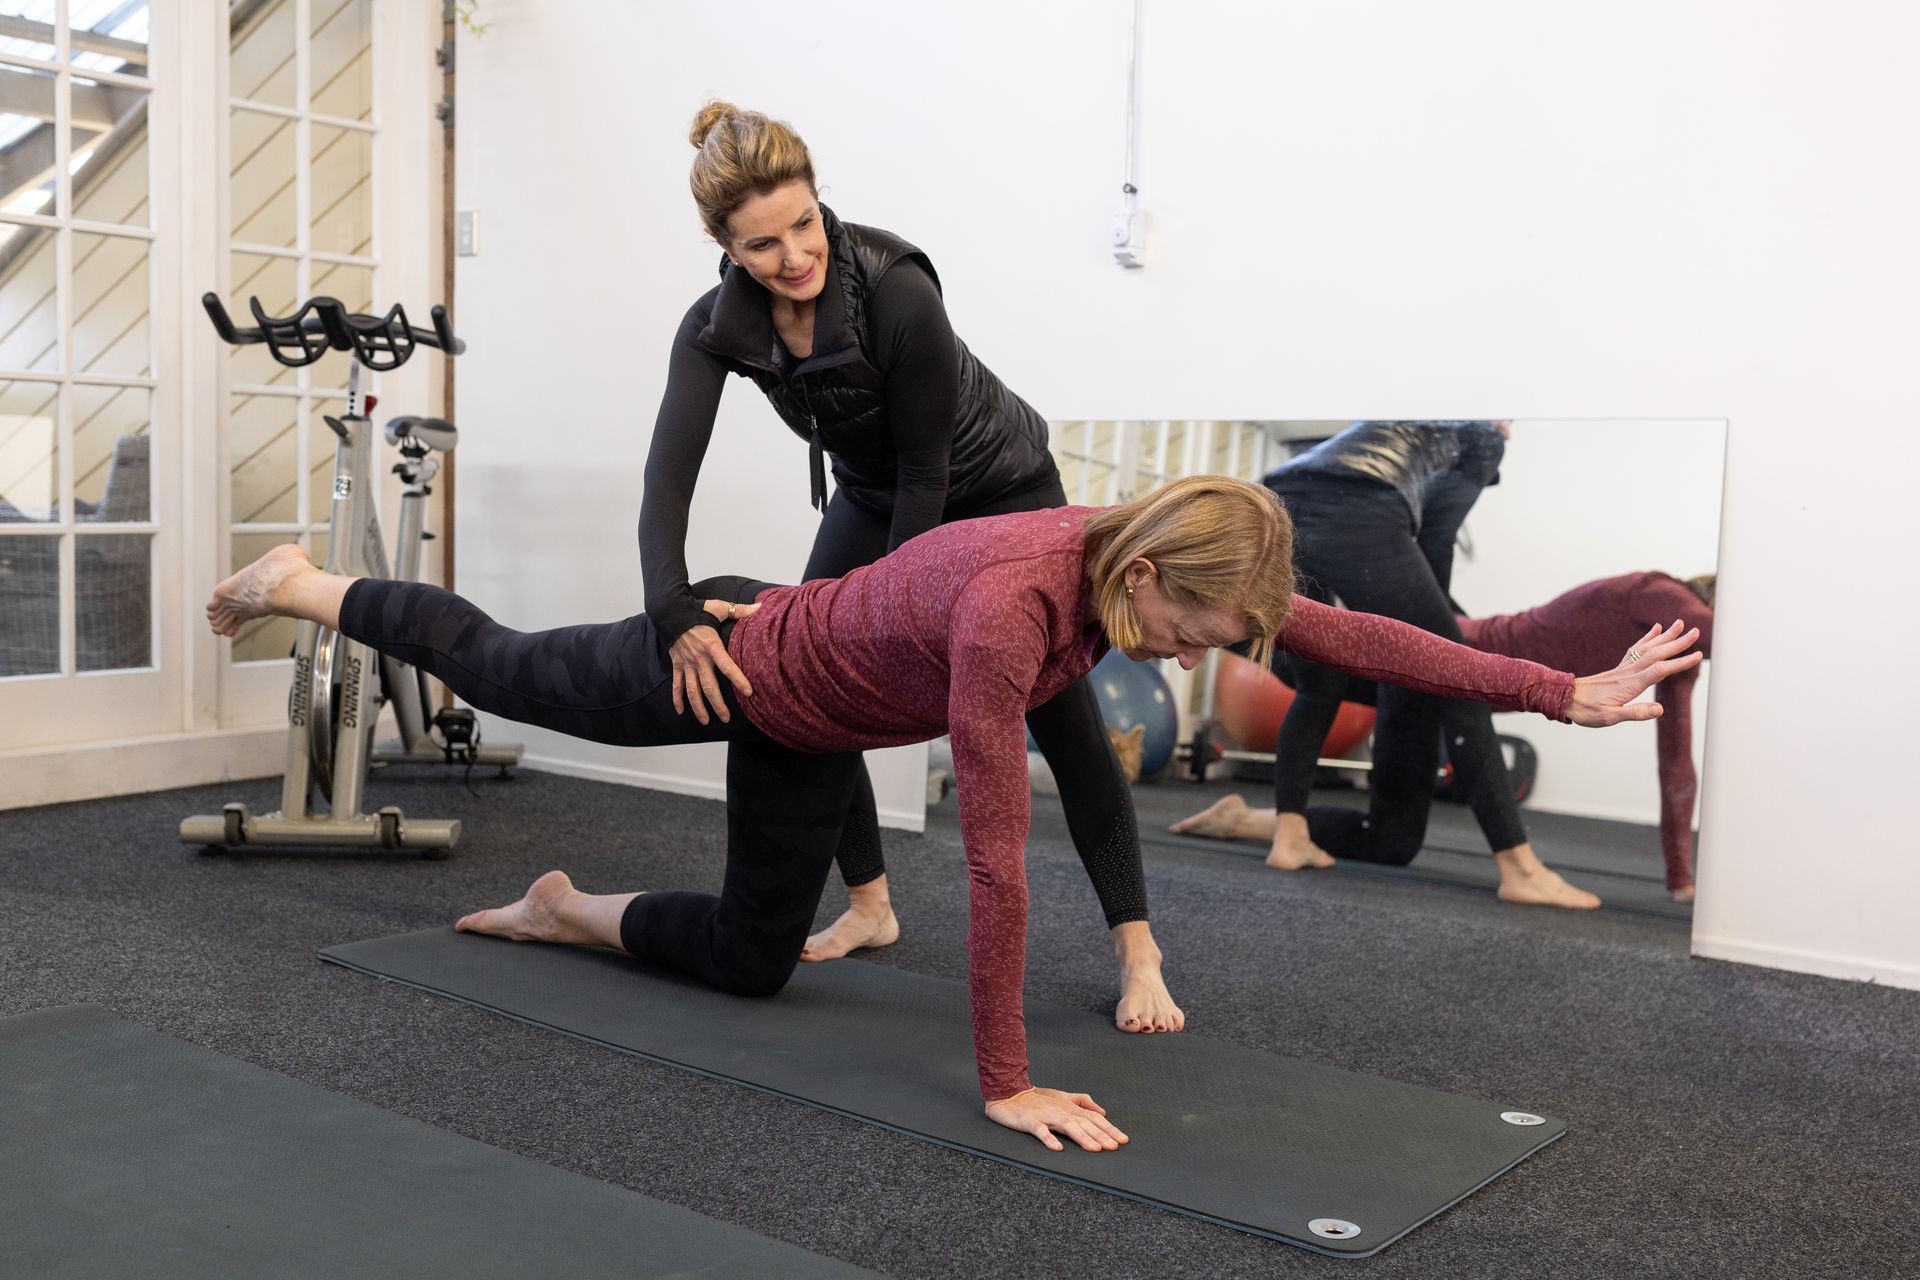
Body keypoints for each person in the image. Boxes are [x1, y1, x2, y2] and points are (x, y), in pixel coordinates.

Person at [204, 477, 1699, 1152]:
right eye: (1195, 632)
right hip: (742, 672)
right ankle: (305, 583)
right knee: (515, 672)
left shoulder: (1171, 562)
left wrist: (1561, 694)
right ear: (1143, 579)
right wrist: (1003, 1080)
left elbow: (1363, 642)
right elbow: (994, 864)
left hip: (826, 706)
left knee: (747, 960)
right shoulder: (1009, 620)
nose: (1204, 656)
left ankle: (561, 907)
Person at [644, 102, 1173, 1032]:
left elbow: (932, 469)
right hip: (877, 493)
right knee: (807, 679)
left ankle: (1138, 947)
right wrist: (670, 608)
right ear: (724, 247)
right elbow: (667, 476)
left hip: (1001, 490)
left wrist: (889, 621)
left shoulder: (896, 284)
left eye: (805, 224)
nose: (795, 256)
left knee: (1060, 714)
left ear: (821, 203)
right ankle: (871, 904)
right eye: (762, 245)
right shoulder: (713, 326)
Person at [1176, 572, 1716, 902]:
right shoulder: (1661, 595)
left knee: (1391, 840)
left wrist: (1680, 880)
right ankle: (1186, 612)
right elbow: (1725, 628)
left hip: (1461, 693)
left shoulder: (1677, 658)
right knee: (1315, 661)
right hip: (1444, 662)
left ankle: (1245, 820)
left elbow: (1677, 768)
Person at [1257, 420, 1606, 908]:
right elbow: (1439, 536)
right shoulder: (1484, 434)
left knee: (1320, 681)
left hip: (1276, 500)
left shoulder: (1407, 416)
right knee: (1462, 678)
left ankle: (1289, 835)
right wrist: (1443, 633)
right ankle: (1520, 867)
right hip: (1358, 504)